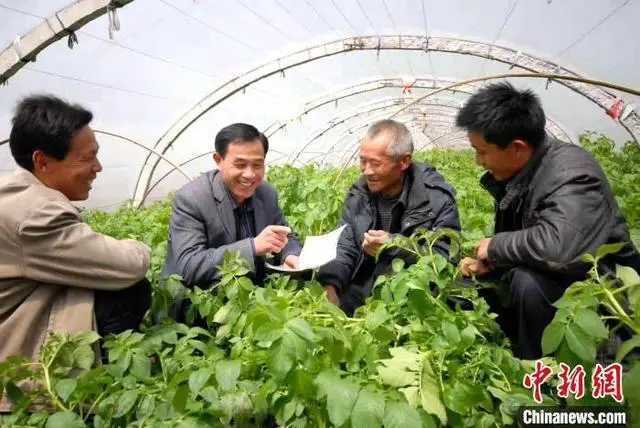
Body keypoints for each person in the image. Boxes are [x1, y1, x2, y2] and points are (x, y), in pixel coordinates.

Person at [456, 82, 640, 360]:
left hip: (599, 302)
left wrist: (495, 247)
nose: (477, 161)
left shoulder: (571, 172)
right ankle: (510, 353)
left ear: (517, 148)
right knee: (466, 284)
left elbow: (560, 248)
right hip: (559, 285)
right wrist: (490, 263)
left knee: (526, 283)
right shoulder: (521, 173)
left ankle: (544, 377)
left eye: (481, 151)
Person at [0, 95, 152, 368]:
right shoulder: (35, 215)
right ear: (42, 162)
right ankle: (87, 384)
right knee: (128, 291)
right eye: (87, 158)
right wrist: (136, 245)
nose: (98, 167)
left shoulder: (16, 194)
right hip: (10, 352)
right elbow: (128, 266)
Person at [317, 119, 462, 316]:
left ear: (404, 161)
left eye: (376, 163)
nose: (366, 171)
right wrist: (330, 285)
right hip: (364, 286)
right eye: (362, 161)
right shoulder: (358, 196)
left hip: (415, 293)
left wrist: (396, 245)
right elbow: (345, 246)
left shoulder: (435, 199)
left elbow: (445, 259)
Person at [162, 123, 302, 306]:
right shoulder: (192, 199)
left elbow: (285, 233)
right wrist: (252, 248)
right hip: (203, 302)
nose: (250, 175)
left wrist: (289, 254)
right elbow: (189, 266)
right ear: (218, 160)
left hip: (252, 297)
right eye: (240, 164)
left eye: (258, 165)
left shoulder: (266, 193)